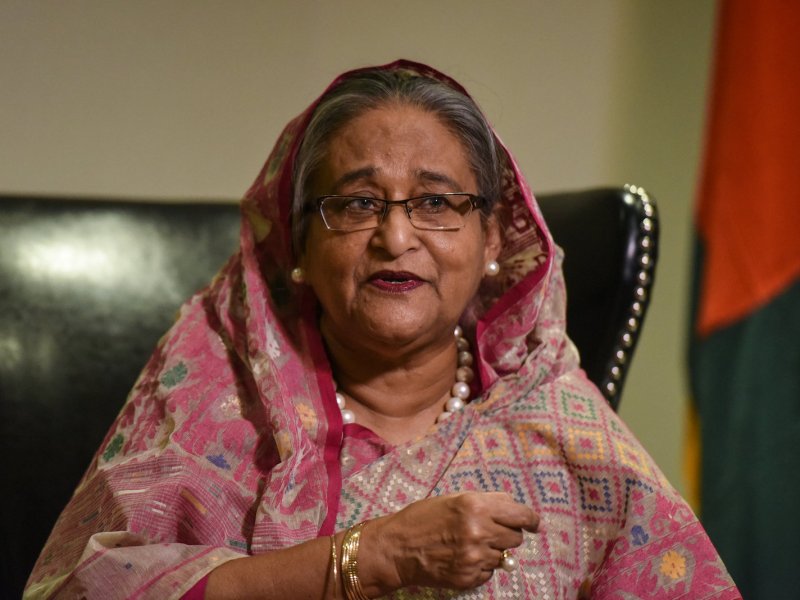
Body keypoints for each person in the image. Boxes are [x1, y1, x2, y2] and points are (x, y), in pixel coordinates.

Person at [25, 60, 739, 599]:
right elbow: (81, 589)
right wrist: (364, 559)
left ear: (492, 237)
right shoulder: (212, 393)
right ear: (299, 246)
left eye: (436, 201)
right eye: (358, 202)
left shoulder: (561, 430)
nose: (396, 236)